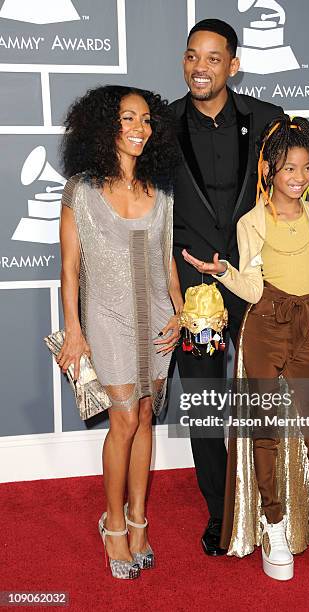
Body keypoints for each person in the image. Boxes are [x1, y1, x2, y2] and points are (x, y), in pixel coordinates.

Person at [182, 114, 309, 579]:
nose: (299, 178)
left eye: (306, 168)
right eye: (289, 169)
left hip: (306, 328)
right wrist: (223, 274)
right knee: (263, 430)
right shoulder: (251, 222)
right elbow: (252, 286)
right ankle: (274, 524)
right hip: (262, 328)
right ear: (269, 171)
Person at [170, 18, 284, 556]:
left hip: (255, 284)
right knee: (206, 402)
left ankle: (275, 507)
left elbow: (292, 202)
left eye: (213, 58)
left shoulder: (267, 121)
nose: (200, 67)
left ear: (233, 66)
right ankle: (222, 513)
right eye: (193, 56)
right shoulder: (163, 125)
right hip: (197, 296)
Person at [58, 85, 183, 579]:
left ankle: (138, 521)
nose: (139, 127)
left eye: (146, 119)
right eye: (127, 118)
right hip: (106, 319)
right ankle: (112, 524)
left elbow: (167, 261)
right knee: (125, 421)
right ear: (104, 127)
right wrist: (74, 330)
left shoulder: (162, 190)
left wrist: (180, 310)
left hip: (156, 319)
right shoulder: (81, 190)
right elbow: (69, 268)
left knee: (147, 417)